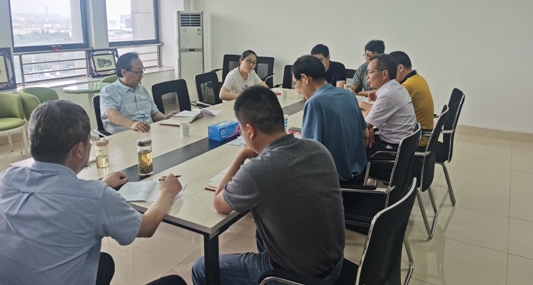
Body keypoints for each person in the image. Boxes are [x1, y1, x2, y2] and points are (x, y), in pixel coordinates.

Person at [0, 100, 185, 285]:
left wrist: (101, 186)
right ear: (79, 150)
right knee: (175, 283)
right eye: (90, 141)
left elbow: (54, 195)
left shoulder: (7, 177)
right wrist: (166, 192)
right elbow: (146, 227)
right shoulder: (96, 197)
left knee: (103, 263)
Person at [191, 86, 345, 285]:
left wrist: (241, 155)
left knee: (202, 268)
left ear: (250, 131)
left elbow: (219, 203)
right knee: (262, 229)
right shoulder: (318, 149)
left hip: (300, 277)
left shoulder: (257, 170)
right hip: (334, 265)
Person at [292, 55, 368, 184]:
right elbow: (365, 134)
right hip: (359, 177)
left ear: (305, 78)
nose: (298, 90)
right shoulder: (348, 95)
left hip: (333, 182)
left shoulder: (314, 102)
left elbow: (309, 153)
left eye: (296, 83)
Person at [100, 52, 176, 134]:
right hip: (125, 135)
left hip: (148, 132)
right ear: (123, 72)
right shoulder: (109, 91)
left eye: (142, 71)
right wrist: (132, 124)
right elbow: (110, 114)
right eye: (137, 72)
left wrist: (165, 118)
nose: (141, 75)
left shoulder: (142, 89)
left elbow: (154, 113)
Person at [359, 54, 417, 156]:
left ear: (384, 74)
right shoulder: (396, 87)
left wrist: (369, 127)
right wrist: (369, 127)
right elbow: (368, 123)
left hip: (394, 148)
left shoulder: (388, 94)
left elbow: (363, 127)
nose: (367, 76)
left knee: (351, 145)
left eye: (370, 72)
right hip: (402, 143)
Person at [390, 51, 434, 147]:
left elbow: (386, 109)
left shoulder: (407, 86)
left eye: (391, 70)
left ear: (400, 68)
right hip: (424, 134)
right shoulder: (418, 79)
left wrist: (361, 104)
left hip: (416, 139)